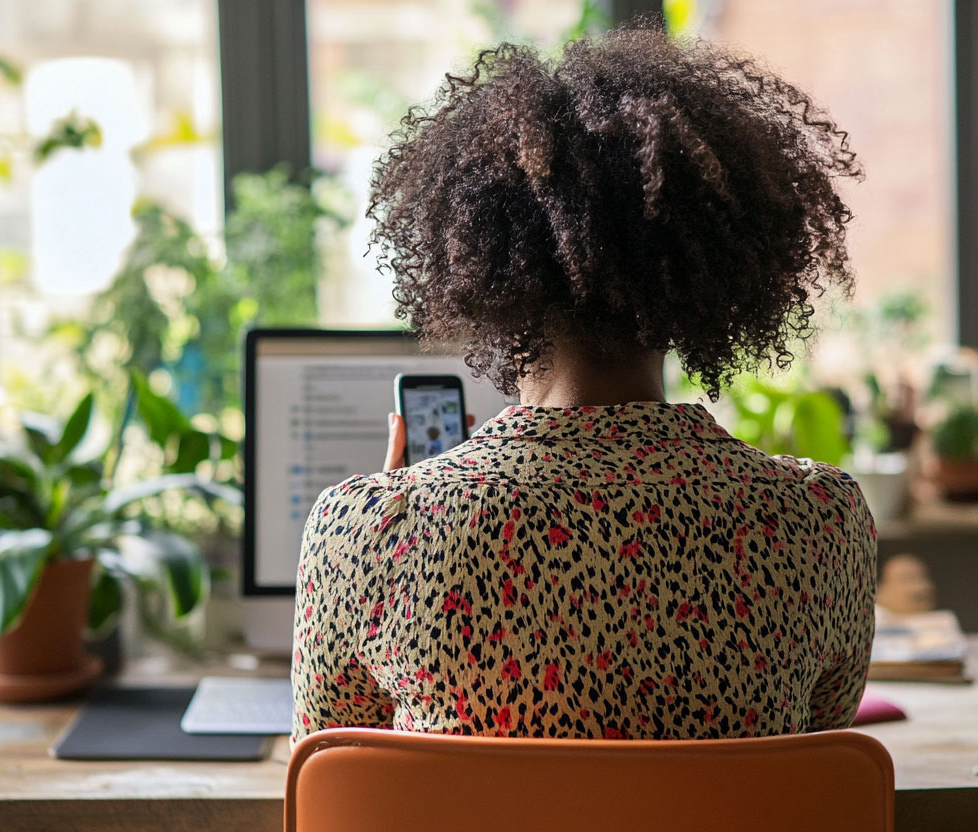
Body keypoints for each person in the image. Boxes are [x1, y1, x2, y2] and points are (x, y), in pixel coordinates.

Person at [292, 22, 875, 742]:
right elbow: (807, 769)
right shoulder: (820, 520)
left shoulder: (364, 530)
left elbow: (335, 785)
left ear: (480, 267)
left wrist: (390, 518)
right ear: (717, 274)